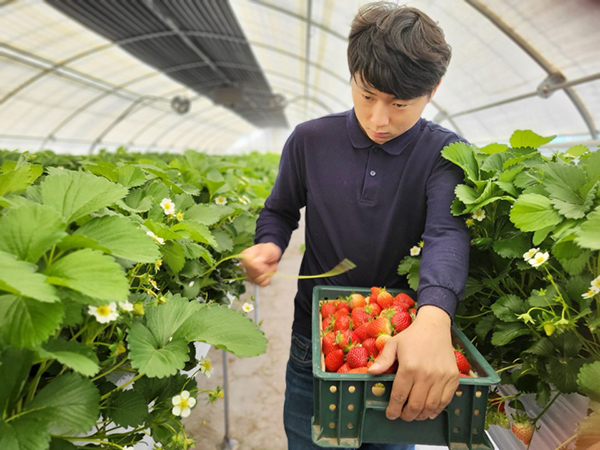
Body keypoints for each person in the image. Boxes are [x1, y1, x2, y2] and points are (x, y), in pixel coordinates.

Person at [241, 2, 470, 449]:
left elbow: (448, 232)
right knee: (307, 439)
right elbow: (280, 210)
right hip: (314, 340)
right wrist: (269, 243)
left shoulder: (447, 154)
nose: (378, 119)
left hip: (398, 347)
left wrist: (434, 316)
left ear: (434, 89)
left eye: (400, 104)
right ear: (352, 75)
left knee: (388, 443)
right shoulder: (310, 140)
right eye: (367, 96)